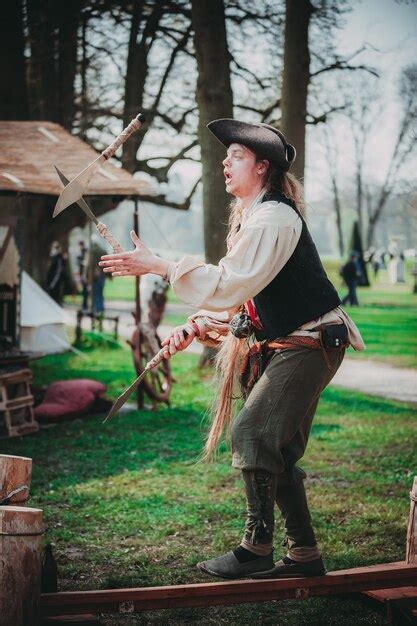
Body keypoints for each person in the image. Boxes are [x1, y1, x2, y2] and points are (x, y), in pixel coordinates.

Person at [99, 119, 364, 580]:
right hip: (295, 343)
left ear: (262, 167)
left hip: (310, 343)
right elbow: (245, 302)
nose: (224, 161)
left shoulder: (274, 218)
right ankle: (304, 556)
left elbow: (226, 284)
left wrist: (160, 265)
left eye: (236, 156)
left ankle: (256, 547)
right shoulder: (254, 218)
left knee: (253, 436)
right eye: (226, 155)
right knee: (275, 451)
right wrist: (199, 325)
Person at [46, 241, 68, 305]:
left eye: (55, 247)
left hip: (55, 280)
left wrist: (53, 283)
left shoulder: (58, 258)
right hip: (51, 279)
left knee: (55, 294)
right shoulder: (53, 257)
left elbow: (59, 270)